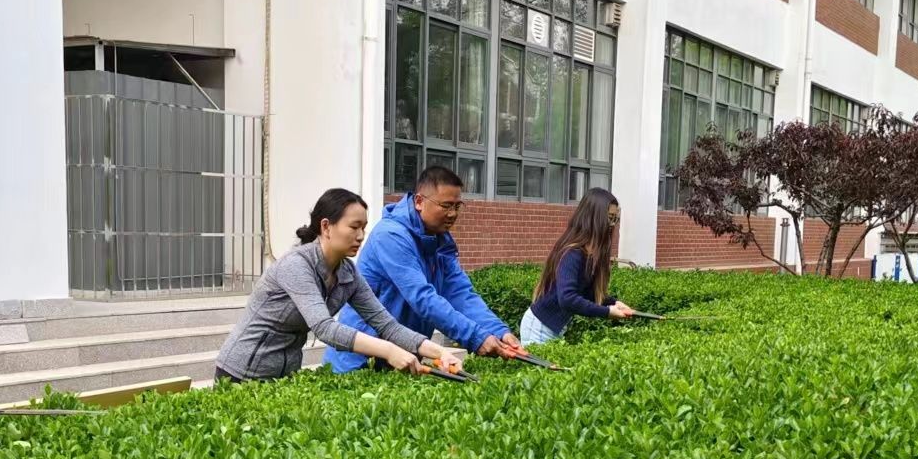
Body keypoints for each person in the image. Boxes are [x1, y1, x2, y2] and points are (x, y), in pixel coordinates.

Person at [215, 189, 466, 383]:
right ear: (326, 226)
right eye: (354, 227)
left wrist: (438, 353)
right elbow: (325, 328)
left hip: (284, 375)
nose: (360, 236)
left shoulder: (348, 273)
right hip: (241, 372)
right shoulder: (296, 265)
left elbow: (386, 324)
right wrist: (388, 350)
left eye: (364, 228)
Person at [323, 165, 523, 373]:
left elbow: (460, 293)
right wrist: (475, 337)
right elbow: (422, 297)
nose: (453, 214)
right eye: (446, 205)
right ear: (419, 201)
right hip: (360, 359)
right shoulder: (391, 236)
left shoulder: (440, 240)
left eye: (457, 206)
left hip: (404, 356)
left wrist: (498, 331)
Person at [520, 188, 635, 345]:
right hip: (538, 329)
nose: (611, 225)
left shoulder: (588, 254)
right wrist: (607, 312)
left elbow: (586, 294)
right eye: (609, 218)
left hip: (551, 329)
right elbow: (567, 299)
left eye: (615, 219)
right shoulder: (573, 253)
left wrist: (613, 303)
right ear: (594, 217)